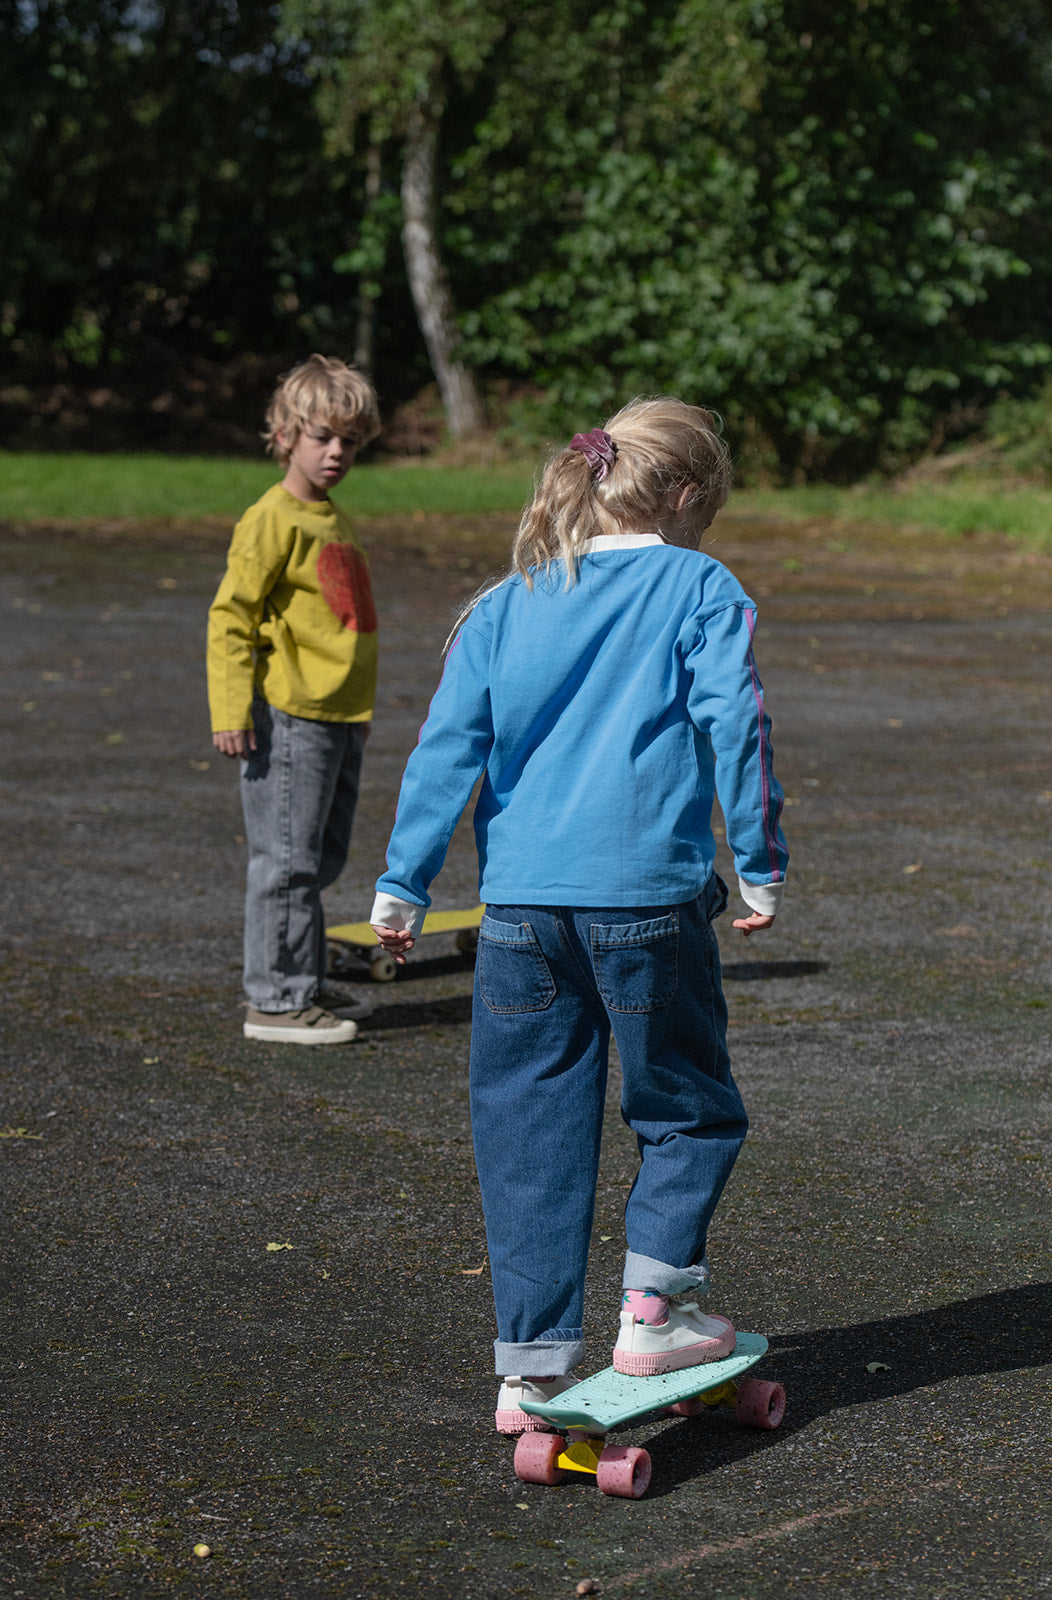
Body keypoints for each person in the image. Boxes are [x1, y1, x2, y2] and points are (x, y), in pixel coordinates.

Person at [369, 397, 788, 1429]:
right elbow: (734, 722)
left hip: (515, 908)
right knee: (686, 1106)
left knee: (525, 1124)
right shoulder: (699, 584)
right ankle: (653, 1308)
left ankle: (531, 1362)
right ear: (687, 496)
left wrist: (401, 883)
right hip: (644, 898)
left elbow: (443, 748)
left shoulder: (507, 599)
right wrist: (759, 861)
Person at [207, 354, 381, 1045]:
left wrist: (358, 716)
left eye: (349, 441)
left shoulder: (332, 518)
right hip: (286, 717)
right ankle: (275, 1001)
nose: (336, 451)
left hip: (337, 717)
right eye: (320, 436)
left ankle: (301, 977)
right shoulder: (271, 519)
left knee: (320, 857)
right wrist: (230, 712)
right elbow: (230, 618)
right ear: (283, 434)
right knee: (285, 861)